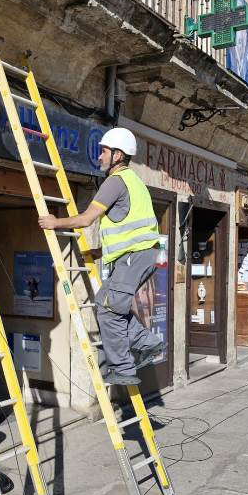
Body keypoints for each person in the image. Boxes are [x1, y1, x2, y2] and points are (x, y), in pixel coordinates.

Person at [38, 127, 165, 386]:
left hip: (135, 257)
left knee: (108, 309)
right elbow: (129, 230)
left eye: (104, 151)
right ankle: (147, 343)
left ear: (117, 155)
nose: (99, 157)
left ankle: (123, 369)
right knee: (106, 303)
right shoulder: (134, 181)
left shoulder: (115, 181)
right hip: (140, 255)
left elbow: (86, 219)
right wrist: (99, 252)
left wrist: (54, 222)